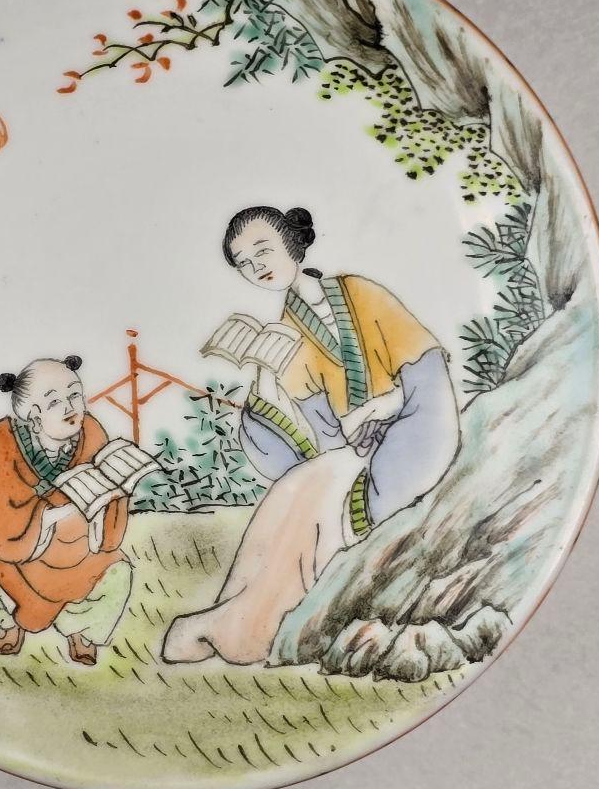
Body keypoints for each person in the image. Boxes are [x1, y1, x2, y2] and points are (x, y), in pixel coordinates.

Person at [161, 206, 459, 664]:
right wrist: (265, 389)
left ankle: (251, 624)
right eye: (244, 263)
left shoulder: (360, 291)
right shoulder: (285, 334)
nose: (257, 266)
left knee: (319, 486)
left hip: (415, 428)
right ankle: (247, 619)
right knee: (297, 487)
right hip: (359, 449)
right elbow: (324, 435)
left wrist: (381, 406)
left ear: (291, 242)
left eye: (263, 250)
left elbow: (426, 369)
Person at [0, 355, 133, 666]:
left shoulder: (91, 431)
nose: (70, 407)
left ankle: (82, 628)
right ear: (34, 417)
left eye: (75, 395)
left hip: (78, 551)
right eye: (54, 402)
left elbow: (107, 505)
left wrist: (117, 490)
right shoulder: (2, 442)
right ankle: (2, 622)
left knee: (120, 572)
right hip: (21, 553)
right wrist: (48, 515)